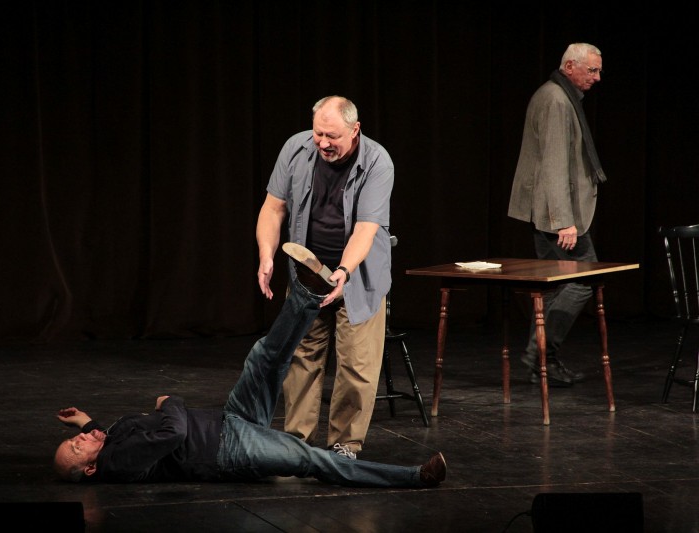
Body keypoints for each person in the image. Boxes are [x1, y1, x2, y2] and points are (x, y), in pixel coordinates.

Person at [53, 264, 446, 488]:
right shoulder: (118, 462)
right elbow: (172, 431)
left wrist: (86, 422)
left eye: (74, 438)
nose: (80, 439)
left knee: (264, 357)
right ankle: (415, 477)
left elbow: (117, 436)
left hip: (230, 421)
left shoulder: (109, 447)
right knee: (313, 460)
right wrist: (169, 401)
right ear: (90, 469)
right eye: (76, 446)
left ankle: (308, 294)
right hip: (231, 449)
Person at [256, 95, 394, 458]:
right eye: (318, 133)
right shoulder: (295, 149)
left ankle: (344, 444)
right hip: (307, 274)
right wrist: (266, 255)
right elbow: (273, 208)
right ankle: (296, 441)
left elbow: (365, 229)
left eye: (332, 136)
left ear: (355, 130)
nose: (323, 143)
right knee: (301, 358)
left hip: (359, 276)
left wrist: (344, 272)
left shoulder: (377, 161)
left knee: (357, 364)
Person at [507, 43, 607, 387]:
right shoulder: (555, 100)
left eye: (598, 70)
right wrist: (565, 220)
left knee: (558, 287)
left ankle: (543, 362)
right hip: (556, 215)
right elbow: (553, 164)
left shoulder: (561, 97)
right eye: (592, 70)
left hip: (552, 211)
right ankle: (538, 355)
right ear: (569, 67)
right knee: (584, 280)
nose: (597, 77)